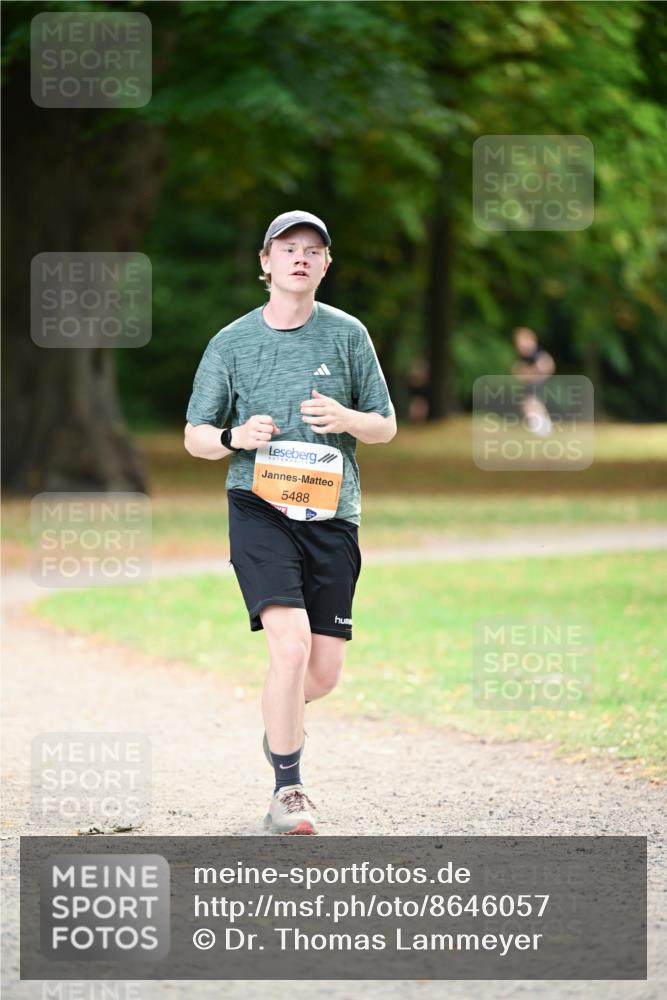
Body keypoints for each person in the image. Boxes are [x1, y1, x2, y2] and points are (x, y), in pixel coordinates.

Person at [184, 210, 397, 835]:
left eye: (312, 250)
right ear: (266, 262)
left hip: (332, 514)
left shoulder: (349, 335)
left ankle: (280, 717)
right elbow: (195, 436)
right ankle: (289, 789)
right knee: (291, 645)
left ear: (326, 265)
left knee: (320, 675)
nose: (300, 257)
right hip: (259, 508)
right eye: (287, 248)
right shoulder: (231, 342)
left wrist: (348, 419)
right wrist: (234, 436)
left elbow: (385, 424)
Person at [512, 326, 556, 436]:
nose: (520, 346)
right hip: (531, 383)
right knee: (528, 404)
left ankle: (541, 428)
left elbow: (547, 366)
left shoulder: (537, 353)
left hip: (538, 382)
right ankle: (540, 426)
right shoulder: (525, 356)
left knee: (533, 403)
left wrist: (530, 373)